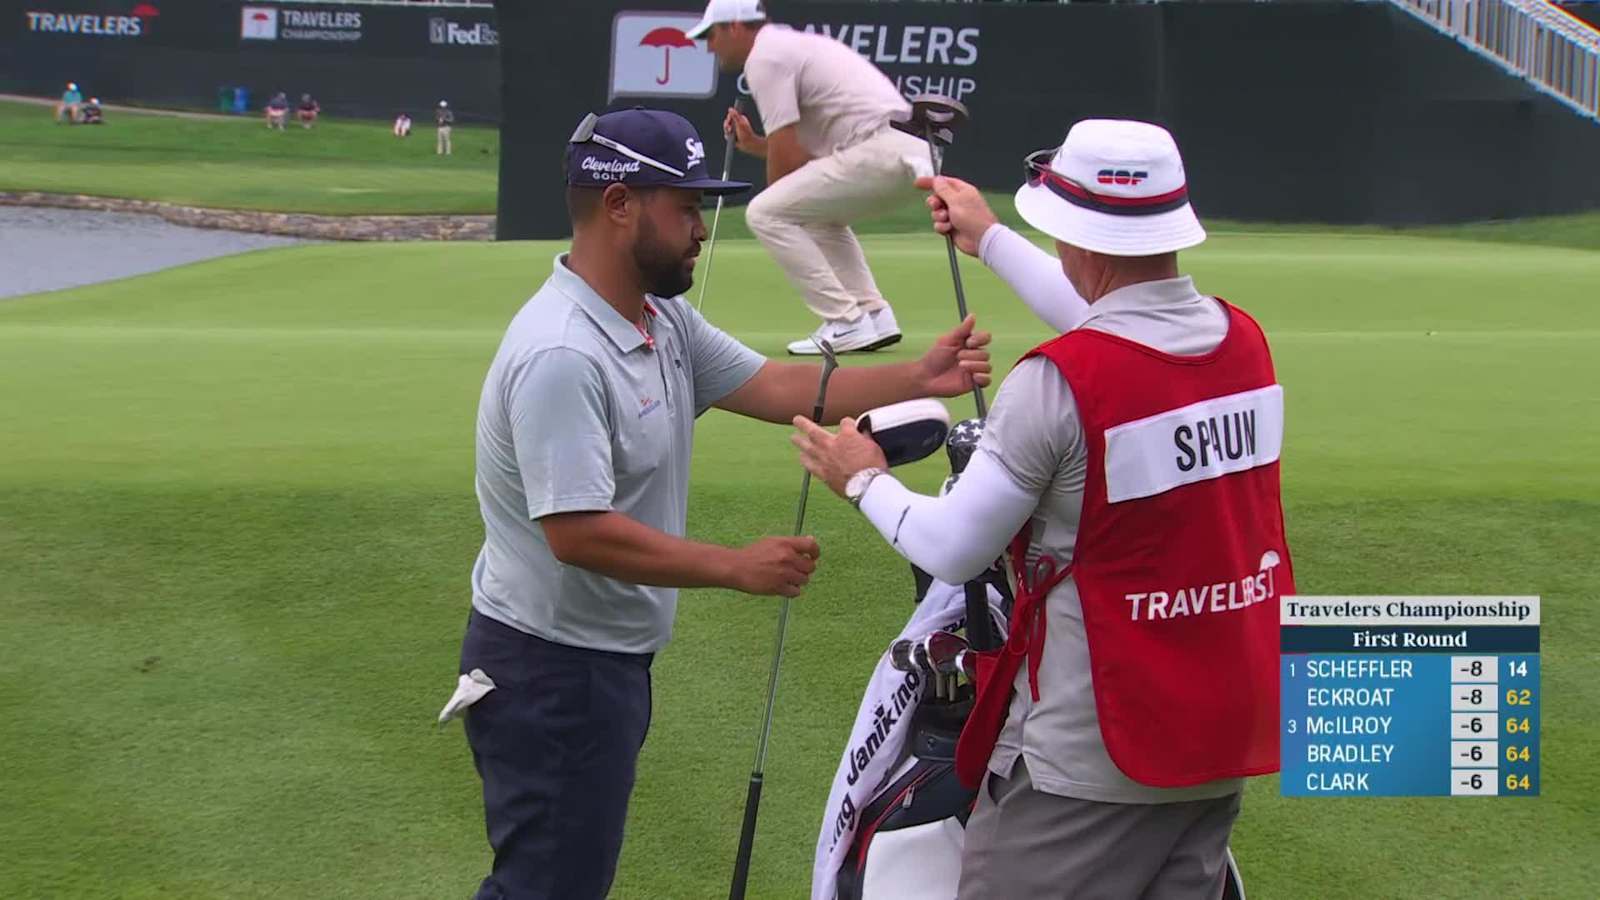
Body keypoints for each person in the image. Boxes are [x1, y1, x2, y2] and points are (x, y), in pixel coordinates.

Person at [445, 107, 992, 900]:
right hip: (549, 670)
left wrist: (920, 374)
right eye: (686, 206)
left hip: (599, 664)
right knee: (546, 887)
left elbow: (776, 384)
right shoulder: (563, 352)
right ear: (619, 204)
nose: (702, 228)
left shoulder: (658, 316)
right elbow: (576, 533)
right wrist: (737, 568)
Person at [791, 119, 1295, 900]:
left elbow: (954, 550)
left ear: (1076, 236)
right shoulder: (1243, 345)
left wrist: (862, 479)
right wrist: (989, 238)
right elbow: (1122, 327)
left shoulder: (1057, 383)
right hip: (1221, 736)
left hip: (1093, 758)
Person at [690, 0, 933, 356]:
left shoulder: (766, 56)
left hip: (883, 150)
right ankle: (874, 315)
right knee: (815, 216)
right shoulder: (789, 46)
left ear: (734, 27)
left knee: (765, 212)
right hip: (906, 154)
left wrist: (781, 203)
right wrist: (756, 145)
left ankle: (845, 321)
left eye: (710, 35)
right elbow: (801, 154)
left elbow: (787, 161)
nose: (708, 46)